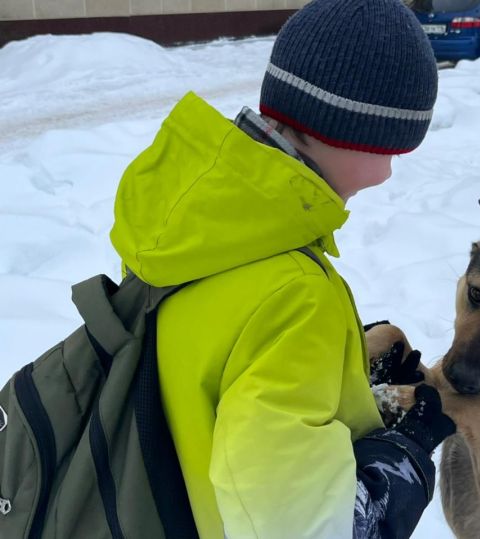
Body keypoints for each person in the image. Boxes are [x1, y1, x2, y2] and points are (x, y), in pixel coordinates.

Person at [109, 0, 456, 538]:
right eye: (389, 148)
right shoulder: (295, 297)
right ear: (343, 126)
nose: (389, 173)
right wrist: (401, 459)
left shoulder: (191, 222)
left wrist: (338, 376)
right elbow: (305, 528)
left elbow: (216, 366)